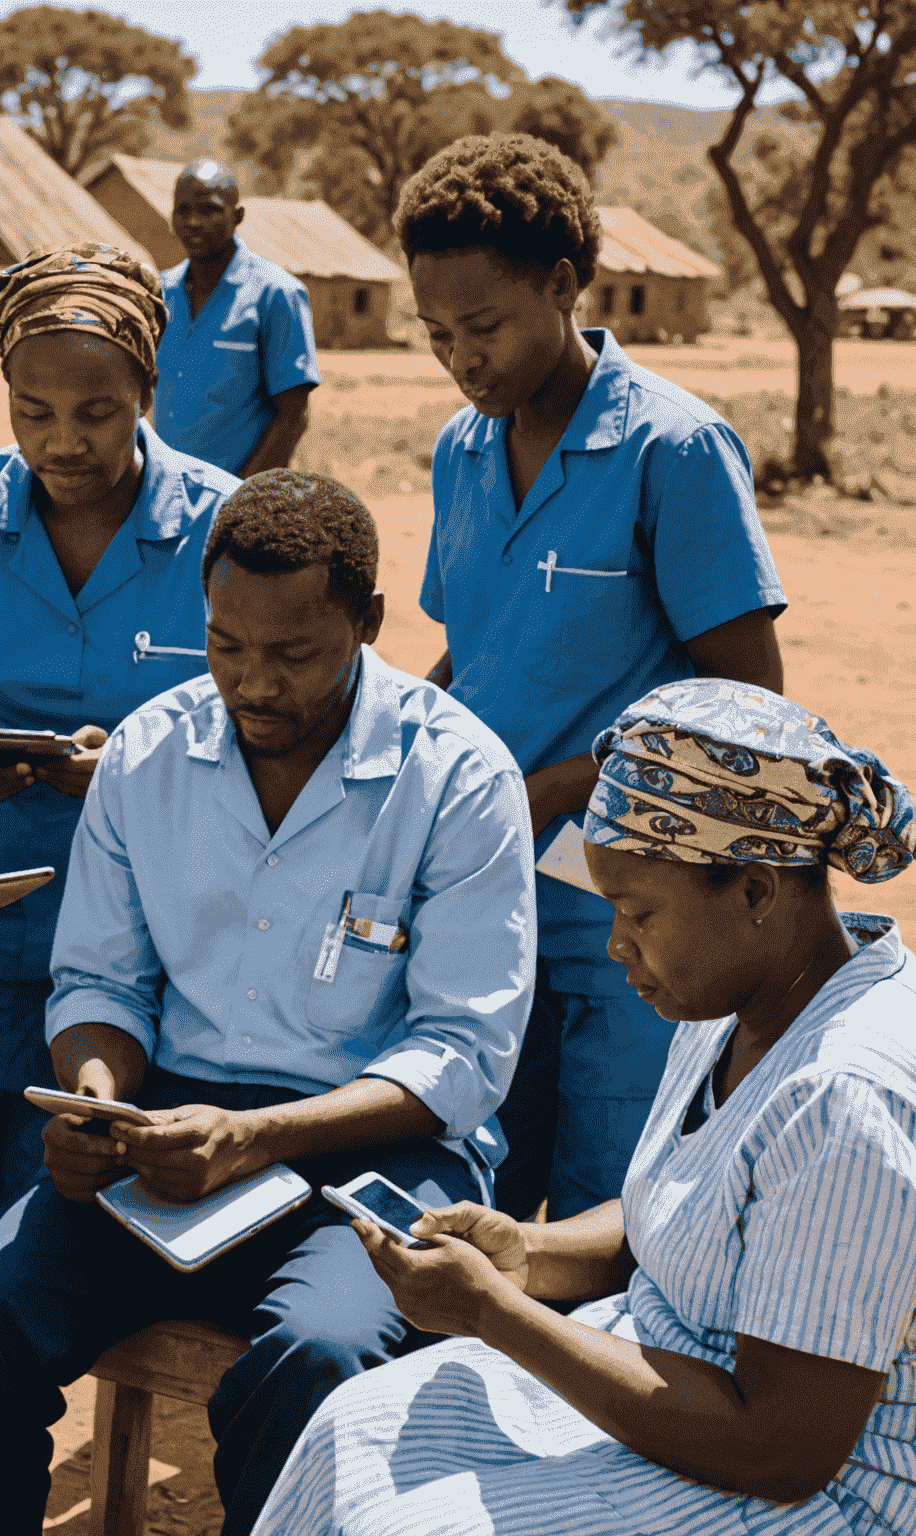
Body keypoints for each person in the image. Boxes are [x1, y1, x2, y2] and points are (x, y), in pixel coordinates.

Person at [0, 471, 538, 1536]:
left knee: (318, 1363)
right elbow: (101, 982)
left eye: (294, 656)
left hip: (376, 1147)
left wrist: (259, 1136)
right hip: (170, 1136)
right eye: (224, 645)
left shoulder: (460, 778)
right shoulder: (148, 756)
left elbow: (463, 1053)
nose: (252, 684)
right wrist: (97, 1103)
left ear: (368, 624)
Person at [251, 678, 916, 1536]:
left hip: (820, 1490)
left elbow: (781, 1450)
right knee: (356, 1428)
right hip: (676, 1378)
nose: (615, 945)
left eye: (638, 913)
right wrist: (524, 1252)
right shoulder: (745, 997)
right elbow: (685, 1223)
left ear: (755, 893)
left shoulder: (847, 1100)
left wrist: (495, 1314)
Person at [398, 133, 789, 1221]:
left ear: (564, 284)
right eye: (437, 337)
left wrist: (567, 787)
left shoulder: (675, 449)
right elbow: (477, 650)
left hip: (640, 913)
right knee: (475, 1185)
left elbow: (752, 709)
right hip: (486, 890)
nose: (462, 361)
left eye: (484, 328)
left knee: (610, 1205)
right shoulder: (460, 452)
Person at [0, 241, 241, 1290]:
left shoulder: (223, 528)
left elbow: (275, 738)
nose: (61, 440)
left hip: (155, 947)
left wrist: (135, 767)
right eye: (31, 410)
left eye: (95, 411)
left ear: (148, 387)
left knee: (108, 1244)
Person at [153, 158, 322, 476]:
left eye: (209, 210)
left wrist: (240, 499)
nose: (193, 222)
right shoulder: (160, 294)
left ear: (238, 216)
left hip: (234, 497)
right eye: (183, 210)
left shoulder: (275, 295)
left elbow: (292, 418)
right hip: (165, 496)